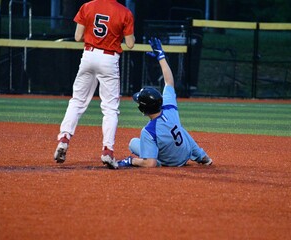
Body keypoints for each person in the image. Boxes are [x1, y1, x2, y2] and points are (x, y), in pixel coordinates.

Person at [54, 0, 135, 169]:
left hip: (89, 55)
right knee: (110, 108)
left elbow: (77, 37)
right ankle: (107, 151)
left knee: (77, 101)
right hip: (109, 58)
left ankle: (64, 139)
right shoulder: (124, 12)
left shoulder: (87, 6)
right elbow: (130, 43)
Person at [117, 37, 212, 168]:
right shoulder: (169, 108)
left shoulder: (148, 131)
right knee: (179, 128)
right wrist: (161, 56)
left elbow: (149, 164)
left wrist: (130, 161)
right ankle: (202, 156)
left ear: (143, 110)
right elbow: (169, 82)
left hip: (172, 163)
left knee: (133, 143)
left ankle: (162, 162)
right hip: (185, 153)